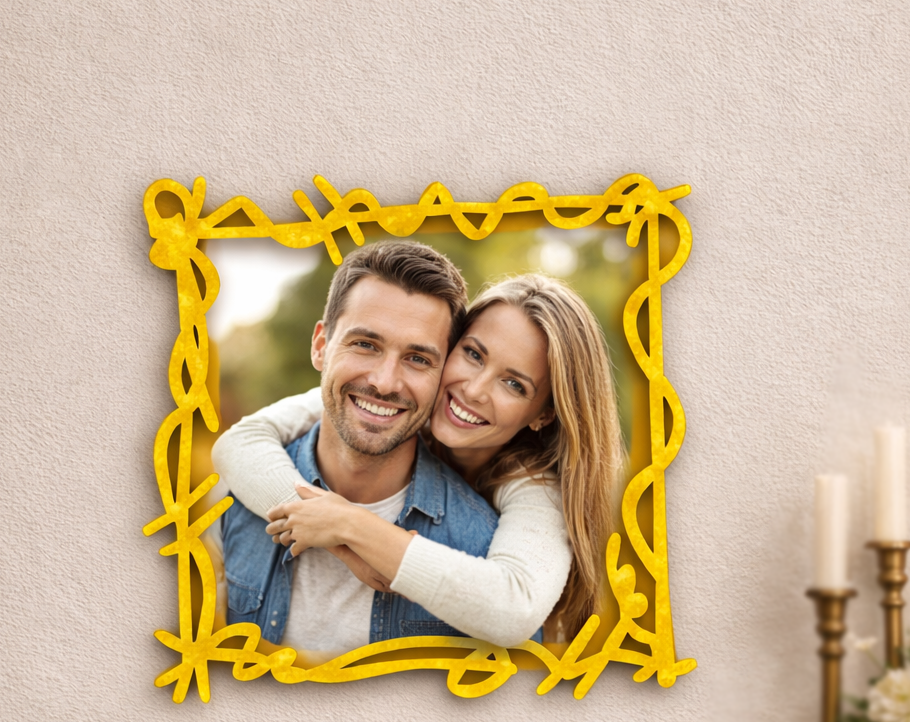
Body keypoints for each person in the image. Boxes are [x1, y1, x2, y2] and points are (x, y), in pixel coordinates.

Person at [214, 269, 623, 650]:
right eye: (474, 355)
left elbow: (513, 607)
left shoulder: (534, 487)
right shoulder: (390, 402)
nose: (475, 390)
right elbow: (240, 442)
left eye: (514, 384)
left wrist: (352, 524)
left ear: (544, 414)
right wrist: (338, 537)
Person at [214, 240, 500, 656]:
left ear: (443, 378)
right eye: (365, 344)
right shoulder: (228, 504)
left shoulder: (482, 550)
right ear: (320, 346)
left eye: (418, 359)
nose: (384, 382)